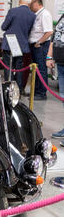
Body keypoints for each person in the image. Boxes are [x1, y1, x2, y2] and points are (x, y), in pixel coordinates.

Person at [1, 0, 36, 90]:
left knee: (8, 66)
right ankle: (19, 89)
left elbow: (4, 27)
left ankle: (8, 88)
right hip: (22, 44)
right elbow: (29, 31)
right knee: (19, 67)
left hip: (9, 43)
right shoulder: (32, 15)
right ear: (29, 3)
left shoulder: (13, 11)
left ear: (20, 0)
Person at [29, 0, 54, 100]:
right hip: (35, 45)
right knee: (36, 69)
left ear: (37, 3)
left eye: (32, 4)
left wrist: (39, 42)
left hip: (40, 46)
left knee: (41, 69)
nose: (30, 6)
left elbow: (49, 32)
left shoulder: (45, 14)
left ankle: (41, 93)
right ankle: (35, 91)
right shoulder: (37, 14)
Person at [47, 13, 64, 146]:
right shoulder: (62, 16)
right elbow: (54, 37)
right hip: (60, 62)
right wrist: (49, 56)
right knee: (63, 98)